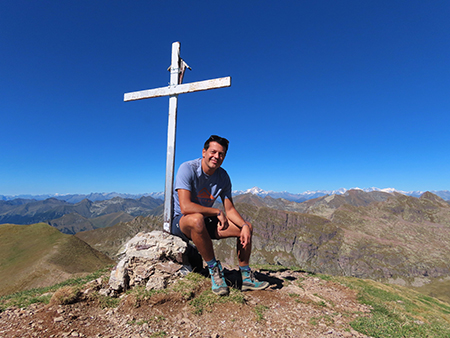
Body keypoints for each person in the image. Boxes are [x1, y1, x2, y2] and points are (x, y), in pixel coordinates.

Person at [171, 135, 269, 296]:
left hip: (204, 221)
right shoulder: (187, 168)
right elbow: (185, 207)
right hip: (181, 222)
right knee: (196, 219)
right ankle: (214, 271)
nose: (217, 157)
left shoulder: (223, 177)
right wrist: (217, 212)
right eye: (213, 152)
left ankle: (246, 277)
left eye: (221, 154)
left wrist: (244, 226)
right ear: (204, 152)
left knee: (246, 227)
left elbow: (230, 210)